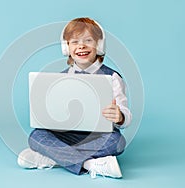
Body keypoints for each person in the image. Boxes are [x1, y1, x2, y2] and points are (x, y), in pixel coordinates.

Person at [17, 17, 132, 179]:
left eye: (88, 40)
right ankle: (91, 164)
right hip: (67, 135)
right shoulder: (60, 79)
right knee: (36, 136)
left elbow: (126, 116)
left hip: (98, 137)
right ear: (66, 47)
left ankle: (52, 158)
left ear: (99, 45)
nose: (81, 46)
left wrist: (119, 116)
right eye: (74, 42)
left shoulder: (112, 77)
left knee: (117, 142)